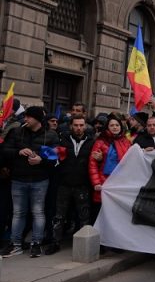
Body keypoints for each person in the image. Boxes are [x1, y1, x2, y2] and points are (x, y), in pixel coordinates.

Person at [0, 106, 60, 258]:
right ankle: (16, 244)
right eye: (25, 116)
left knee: (38, 212)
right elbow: (4, 150)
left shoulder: (51, 135)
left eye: (29, 117)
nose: (25, 119)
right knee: (18, 213)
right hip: (18, 179)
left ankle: (36, 243)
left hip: (40, 180)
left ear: (38, 119)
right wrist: (18, 152)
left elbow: (56, 158)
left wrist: (41, 159)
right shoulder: (17, 132)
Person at [47, 113, 94, 255]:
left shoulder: (92, 141)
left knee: (84, 216)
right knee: (59, 215)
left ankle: (84, 244)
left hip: (82, 185)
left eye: (81, 125)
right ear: (71, 126)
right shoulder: (62, 140)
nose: (79, 128)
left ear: (85, 126)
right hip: (64, 184)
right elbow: (53, 158)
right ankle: (55, 242)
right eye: (76, 125)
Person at [88, 115, 131, 222]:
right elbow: (92, 163)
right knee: (100, 214)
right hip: (103, 183)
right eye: (112, 125)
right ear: (107, 127)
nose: (115, 127)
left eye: (117, 125)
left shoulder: (126, 142)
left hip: (120, 183)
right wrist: (96, 183)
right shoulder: (100, 142)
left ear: (121, 127)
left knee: (117, 215)